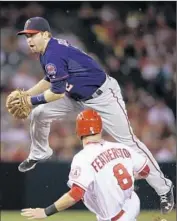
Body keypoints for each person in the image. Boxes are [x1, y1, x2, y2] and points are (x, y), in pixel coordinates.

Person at [9, 17, 173, 213]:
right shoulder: (46, 52)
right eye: (26, 36)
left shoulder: (53, 53)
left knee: (131, 143)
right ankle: (40, 152)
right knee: (40, 114)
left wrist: (30, 100)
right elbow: (49, 80)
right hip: (77, 97)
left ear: (46, 34)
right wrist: (28, 94)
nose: (29, 40)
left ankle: (165, 188)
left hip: (103, 97)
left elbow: (57, 92)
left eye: (33, 35)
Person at [21, 109, 150, 221]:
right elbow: (146, 170)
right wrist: (130, 175)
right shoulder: (121, 147)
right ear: (100, 129)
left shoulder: (83, 158)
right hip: (132, 202)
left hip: (115, 217)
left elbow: (75, 194)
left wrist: (46, 212)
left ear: (78, 132)